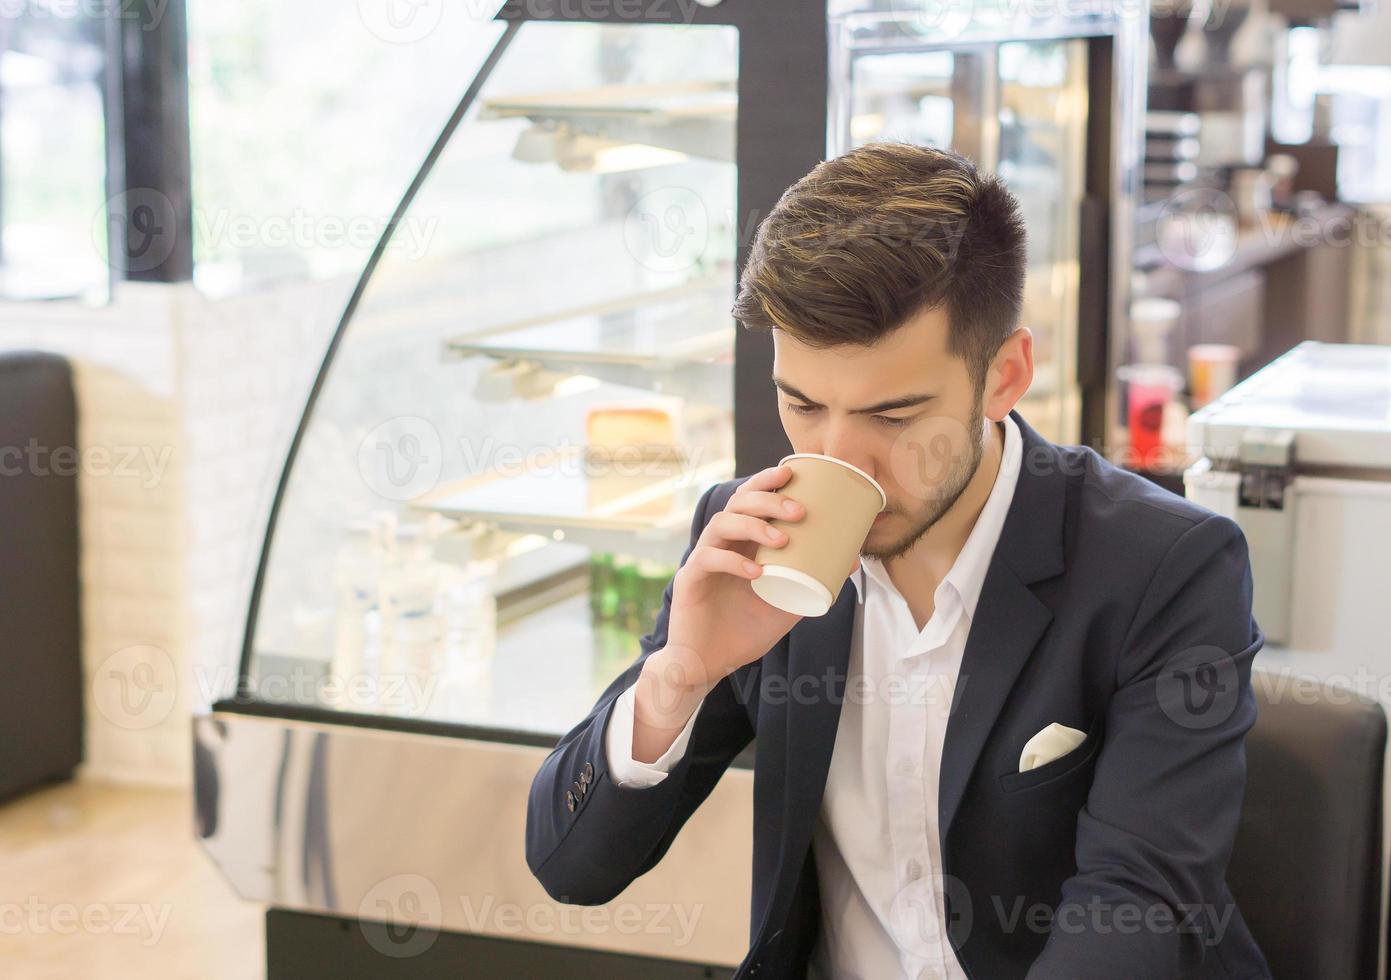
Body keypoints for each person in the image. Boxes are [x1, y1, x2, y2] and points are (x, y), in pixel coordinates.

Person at [526, 140, 1271, 980]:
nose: (843, 459)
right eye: (802, 403)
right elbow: (572, 871)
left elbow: (1135, 909)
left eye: (893, 416)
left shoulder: (1165, 566)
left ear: (1004, 376)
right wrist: (679, 676)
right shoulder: (748, 536)